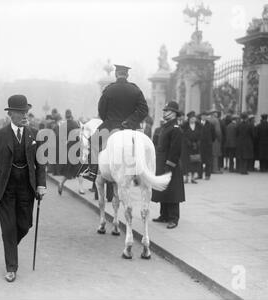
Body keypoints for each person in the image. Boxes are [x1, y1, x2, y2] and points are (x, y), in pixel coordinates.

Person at [0, 95, 46, 283]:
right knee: (8, 228)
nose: (24, 115)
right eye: (20, 112)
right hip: (5, 187)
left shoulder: (35, 135)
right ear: (10, 114)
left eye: (25, 112)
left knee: (25, 224)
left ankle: (10, 245)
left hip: (27, 187)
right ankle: (11, 267)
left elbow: (41, 164)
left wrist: (41, 185)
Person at [82, 64, 149, 182]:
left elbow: (101, 110)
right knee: (143, 146)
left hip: (111, 126)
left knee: (92, 142)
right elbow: (144, 110)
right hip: (131, 128)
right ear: (127, 75)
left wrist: (108, 120)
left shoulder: (109, 89)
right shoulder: (136, 89)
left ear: (116, 74)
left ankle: (92, 171)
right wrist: (130, 122)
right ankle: (141, 172)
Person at [152, 101, 185, 229]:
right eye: (164, 110)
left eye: (167, 110)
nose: (164, 112)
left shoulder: (176, 129)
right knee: (163, 190)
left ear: (174, 113)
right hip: (161, 163)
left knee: (172, 192)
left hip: (170, 165)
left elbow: (175, 150)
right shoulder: (165, 127)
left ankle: (173, 218)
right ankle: (164, 215)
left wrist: (169, 166)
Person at [57, 109, 85, 195]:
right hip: (77, 148)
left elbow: (61, 139)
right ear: (71, 115)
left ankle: (61, 183)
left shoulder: (63, 125)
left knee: (69, 170)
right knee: (80, 169)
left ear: (65, 116)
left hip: (68, 149)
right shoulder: (77, 123)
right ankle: (81, 188)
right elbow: (81, 135)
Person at [183, 111, 202, 184]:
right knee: (186, 162)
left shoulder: (198, 125)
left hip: (196, 148)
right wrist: (189, 143)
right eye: (191, 118)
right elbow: (184, 135)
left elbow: (201, 135)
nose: (193, 119)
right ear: (189, 119)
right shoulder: (185, 125)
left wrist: (197, 143)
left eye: (194, 118)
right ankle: (186, 177)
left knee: (194, 162)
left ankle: (193, 178)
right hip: (187, 147)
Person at [198, 112, 216, 180]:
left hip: (208, 146)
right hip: (200, 145)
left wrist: (210, 141)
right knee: (200, 161)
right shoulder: (198, 124)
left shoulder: (210, 125)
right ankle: (199, 174)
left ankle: (207, 175)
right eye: (203, 116)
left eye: (205, 116)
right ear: (201, 116)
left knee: (208, 161)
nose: (204, 117)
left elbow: (214, 136)